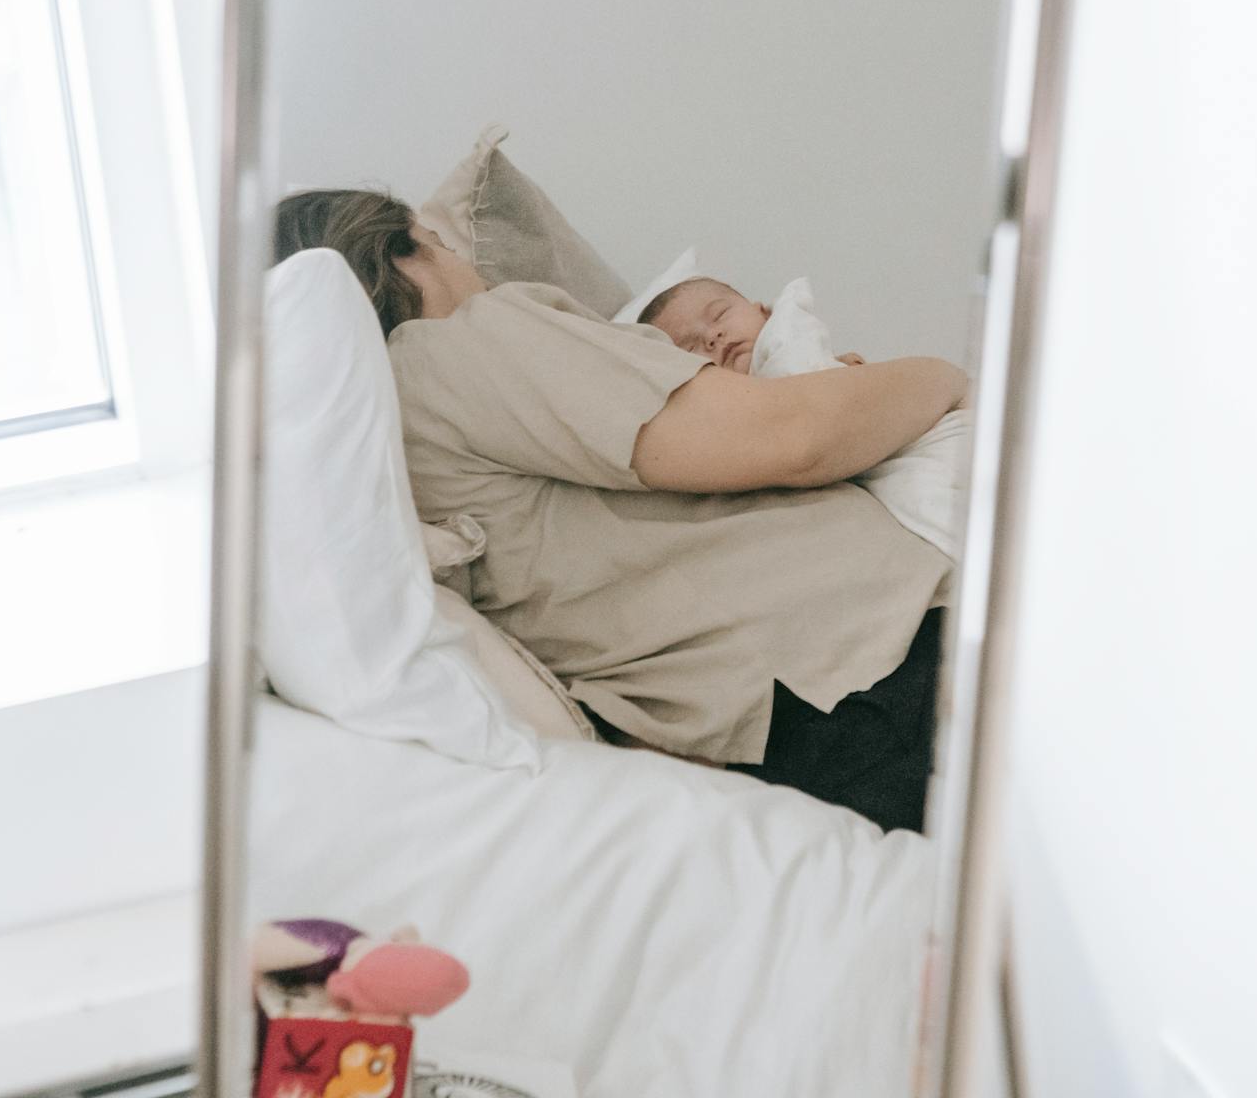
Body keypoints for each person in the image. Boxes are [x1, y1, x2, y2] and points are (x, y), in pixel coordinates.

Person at [273, 189, 965, 833]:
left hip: (793, 721)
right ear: (404, 254)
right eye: (439, 242)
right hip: (869, 666)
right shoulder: (449, 349)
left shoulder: (390, 449)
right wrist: (946, 375)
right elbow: (794, 439)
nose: (465, 265)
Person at [643, 275, 971, 561]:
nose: (712, 338)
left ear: (765, 312)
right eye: (688, 349)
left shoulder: (787, 338)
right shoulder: (720, 429)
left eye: (720, 314)